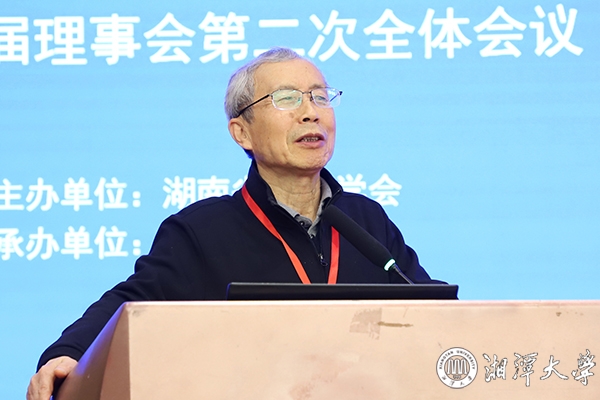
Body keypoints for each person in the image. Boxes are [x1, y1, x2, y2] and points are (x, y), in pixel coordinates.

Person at [27, 47, 442, 400]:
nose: (311, 113)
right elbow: (129, 303)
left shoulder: (365, 219)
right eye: (287, 99)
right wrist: (69, 352)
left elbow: (430, 308)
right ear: (241, 132)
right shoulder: (201, 230)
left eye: (320, 97)